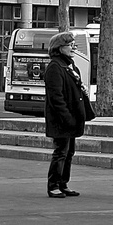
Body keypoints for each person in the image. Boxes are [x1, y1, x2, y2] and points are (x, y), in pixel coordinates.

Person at [43, 31, 89, 199]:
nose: (73, 48)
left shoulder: (70, 65)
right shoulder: (55, 67)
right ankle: (53, 184)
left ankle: (63, 183)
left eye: (73, 45)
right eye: (70, 45)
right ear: (59, 48)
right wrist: (67, 117)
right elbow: (56, 97)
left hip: (71, 117)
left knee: (69, 153)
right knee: (61, 152)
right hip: (61, 119)